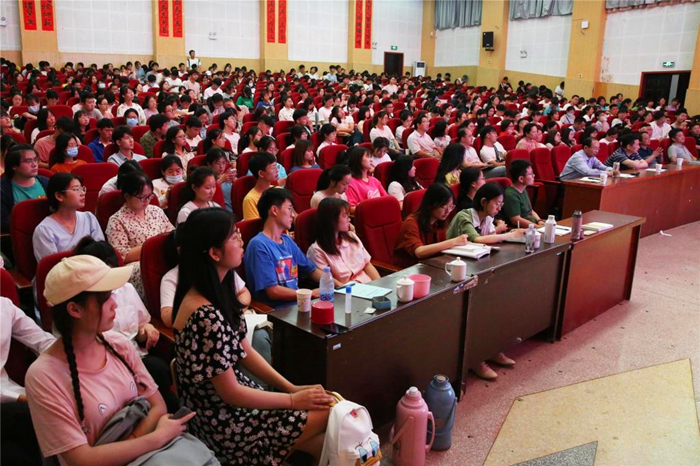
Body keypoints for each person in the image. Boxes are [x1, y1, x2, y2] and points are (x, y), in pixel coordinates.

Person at [173, 207, 331, 463]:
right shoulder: (204, 315)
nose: (241, 240)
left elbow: (243, 350)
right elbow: (231, 393)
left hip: (236, 406)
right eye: (234, 237)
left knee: (323, 437)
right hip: (222, 422)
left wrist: (291, 388)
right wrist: (292, 399)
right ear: (214, 253)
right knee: (328, 413)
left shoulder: (219, 290)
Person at [25, 255, 195, 465]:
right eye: (105, 298)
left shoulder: (118, 343)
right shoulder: (43, 376)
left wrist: (131, 442)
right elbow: (81, 459)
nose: (114, 304)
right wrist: (156, 437)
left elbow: (158, 406)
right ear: (74, 309)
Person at [72, 237, 178, 412]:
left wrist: (146, 330)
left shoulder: (125, 288)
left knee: (160, 374)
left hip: (135, 357)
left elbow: (140, 327)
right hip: (104, 367)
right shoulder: (85, 305)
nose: (113, 301)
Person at [445, 183, 518, 379]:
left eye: (501, 204)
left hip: (475, 267)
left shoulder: (487, 218)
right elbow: (476, 240)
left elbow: (488, 240)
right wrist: (510, 234)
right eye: (497, 203)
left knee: (497, 302)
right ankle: (476, 359)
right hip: (452, 272)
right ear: (484, 202)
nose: (499, 208)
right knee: (479, 309)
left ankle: (491, 349)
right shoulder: (465, 216)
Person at [244, 189, 325, 307]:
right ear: (274, 210)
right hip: (278, 311)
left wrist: (337, 285)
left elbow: (311, 270)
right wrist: (310, 294)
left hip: (299, 304)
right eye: (289, 209)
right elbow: (273, 291)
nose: (293, 215)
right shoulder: (258, 245)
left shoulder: (287, 240)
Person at [1, 292, 55, 466]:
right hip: (10, 400)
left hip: (10, 394)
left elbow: (43, 341)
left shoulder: (4, 306)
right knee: (38, 416)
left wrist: (74, 357)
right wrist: (25, 398)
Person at [106, 172, 175, 298]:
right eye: (142, 197)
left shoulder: (156, 211)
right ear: (127, 196)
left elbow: (172, 234)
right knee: (153, 267)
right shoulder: (116, 220)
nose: (147, 201)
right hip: (137, 264)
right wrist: (152, 247)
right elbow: (121, 255)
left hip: (163, 254)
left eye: (149, 196)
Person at [307, 197, 380, 286]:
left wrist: (381, 285)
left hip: (369, 285)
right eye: (345, 216)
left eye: (349, 215)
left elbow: (367, 265)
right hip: (347, 290)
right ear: (331, 219)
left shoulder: (351, 237)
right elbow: (328, 282)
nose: (349, 219)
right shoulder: (317, 251)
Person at [393, 183, 469, 267]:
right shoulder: (411, 223)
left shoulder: (439, 221)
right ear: (430, 205)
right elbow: (419, 252)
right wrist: (454, 242)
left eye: (451, 206)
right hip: (408, 270)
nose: (448, 211)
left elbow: (441, 248)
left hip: (429, 265)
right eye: (443, 207)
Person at [32, 173, 103, 262]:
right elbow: (50, 265)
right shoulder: (44, 230)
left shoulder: (89, 218)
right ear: (59, 196)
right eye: (76, 189)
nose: (82, 193)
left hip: (95, 267)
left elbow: (102, 252)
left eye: (82, 189)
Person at [1, 145, 49, 231]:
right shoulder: (3, 189)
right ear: (14, 166)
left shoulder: (47, 183)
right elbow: (3, 221)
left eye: (35, 160)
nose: (34, 164)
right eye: (28, 161)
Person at [502, 160, 544, 228]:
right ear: (521, 179)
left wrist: (539, 221)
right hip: (522, 229)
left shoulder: (523, 190)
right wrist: (536, 227)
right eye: (530, 174)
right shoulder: (510, 195)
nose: (534, 175)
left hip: (532, 224)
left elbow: (531, 211)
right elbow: (515, 219)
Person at [243, 152, 279, 220]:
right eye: (273, 168)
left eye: (276, 167)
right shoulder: (250, 200)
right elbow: (254, 225)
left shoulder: (278, 190)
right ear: (261, 173)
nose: (277, 170)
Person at [206, 148, 236, 212]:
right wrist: (220, 181)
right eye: (218, 163)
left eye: (224, 163)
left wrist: (235, 181)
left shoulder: (227, 176)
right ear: (209, 164)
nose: (221, 166)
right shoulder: (206, 180)